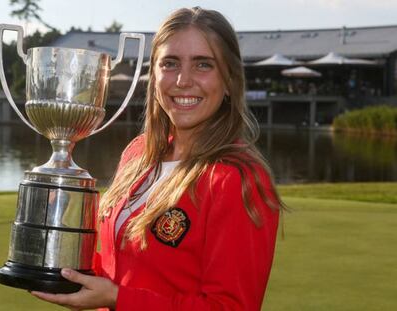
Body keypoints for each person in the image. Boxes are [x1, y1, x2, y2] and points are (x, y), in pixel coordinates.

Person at [31, 6, 284, 310]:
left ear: (229, 81)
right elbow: (124, 270)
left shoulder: (237, 179)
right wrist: (59, 265)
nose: (182, 80)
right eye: (170, 63)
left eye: (203, 65)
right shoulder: (138, 154)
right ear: (155, 75)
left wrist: (118, 299)